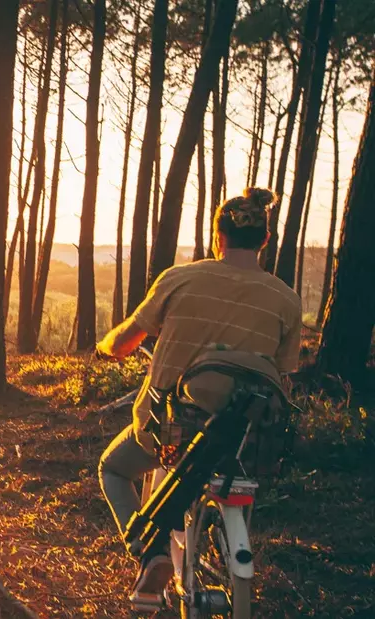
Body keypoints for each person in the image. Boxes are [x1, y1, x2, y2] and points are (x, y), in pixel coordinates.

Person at [95, 187, 302, 606]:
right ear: (265, 240)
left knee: (113, 469)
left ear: (217, 236)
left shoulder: (181, 278)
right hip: (246, 438)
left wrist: (108, 346)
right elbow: (283, 374)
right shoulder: (286, 299)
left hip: (173, 429)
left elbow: (125, 340)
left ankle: (151, 555)